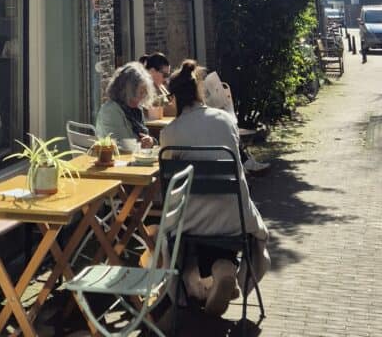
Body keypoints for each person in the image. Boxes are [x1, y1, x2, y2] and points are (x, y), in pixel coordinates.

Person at [160, 59, 270, 317]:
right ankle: (223, 269)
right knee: (222, 216)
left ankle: (200, 282)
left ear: (174, 98)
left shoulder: (170, 134)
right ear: (200, 92)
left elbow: (169, 181)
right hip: (235, 217)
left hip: (192, 222)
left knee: (181, 228)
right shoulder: (226, 121)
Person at [95, 62, 156, 149]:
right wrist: (142, 145)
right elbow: (121, 146)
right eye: (140, 93)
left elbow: (143, 137)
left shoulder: (136, 109)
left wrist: (150, 141)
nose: (141, 98)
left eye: (144, 93)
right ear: (124, 92)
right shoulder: (111, 111)